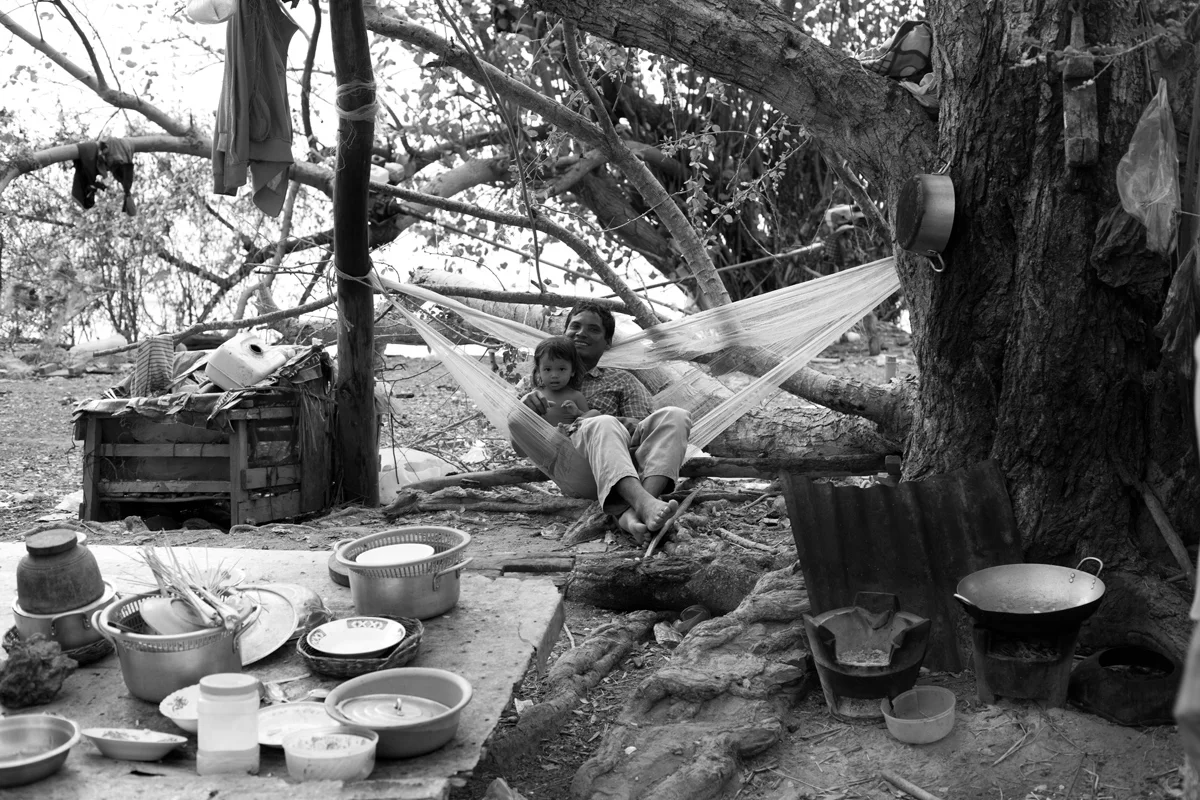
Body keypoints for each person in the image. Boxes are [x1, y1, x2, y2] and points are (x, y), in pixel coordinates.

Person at [513, 302, 692, 542]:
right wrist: (524, 411)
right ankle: (642, 503)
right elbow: (519, 445)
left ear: (607, 342)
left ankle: (639, 510)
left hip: (625, 462)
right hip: (572, 467)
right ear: (564, 333)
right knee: (602, 422)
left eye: (593, 329)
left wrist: (608, 421)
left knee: (676, 416)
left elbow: (644, 438)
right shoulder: (535, 383)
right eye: (575, 326)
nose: (581, 333)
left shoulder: (623, 381)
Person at [529, 336, 598, 429]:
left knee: (595, 413)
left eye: (561, 369)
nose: (554, 375)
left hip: (569, 435)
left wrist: (578, 413)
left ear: (572, 371)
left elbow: (589, 422)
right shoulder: (536, 394)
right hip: (541, 435)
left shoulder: (576, 396)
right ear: (539, 371)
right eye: (547, 369)